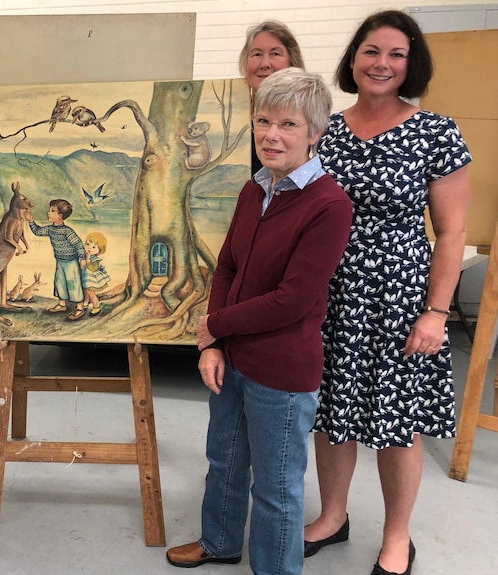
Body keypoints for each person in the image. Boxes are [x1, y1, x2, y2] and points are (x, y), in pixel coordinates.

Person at [165, 68, 352, 575]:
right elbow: (227, 266)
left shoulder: (329, 204)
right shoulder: (255, 190)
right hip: (234, 358)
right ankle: (219, 541)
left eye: (288, 124)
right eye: (264, 120)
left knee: (276, 488)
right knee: (224, 462)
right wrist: (215, 343)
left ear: (315, 132)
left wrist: (215, 325)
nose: (271, 134)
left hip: (283, 370)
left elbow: (293, 300)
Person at [304, 10, 471, 575]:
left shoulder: (437, 132)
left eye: (396, 54)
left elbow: (451, 231)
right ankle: (331, 516)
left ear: (410, 64)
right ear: (353, 58)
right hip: (330, 293)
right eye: (372, 51)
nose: (382, 63)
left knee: (396, 424)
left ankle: (397, 536)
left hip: (401, 298)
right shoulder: (323, 127)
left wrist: (436, 312)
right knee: (332, 412)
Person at [238, 20, 304, 173]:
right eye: (257, 54)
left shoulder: (305, 117)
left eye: (275, 54)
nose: (265, 63)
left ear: (291, 63)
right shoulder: (232, 116)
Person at [25, 199, 87, 320]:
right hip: (60, 261)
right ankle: (62, 304)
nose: (48, 213)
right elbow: (38, 231)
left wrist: (82, 258)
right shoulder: (50, 229)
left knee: (73, 283)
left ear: (60, 216)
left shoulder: (67, 231)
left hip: (71, 262)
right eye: (50, 210)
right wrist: (31, 221)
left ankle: (80, 308)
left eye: (52, 211)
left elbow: (78, 244)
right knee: (60, 283)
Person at [81, 231, 110, 316]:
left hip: (91, 279)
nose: (90, 248)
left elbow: (92, 268)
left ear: (99, 250)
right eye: (88, 244)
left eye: (94, 247)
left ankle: (96, 306)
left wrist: (88, 258)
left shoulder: (95, 259)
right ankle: (86, 302)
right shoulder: (84, 255)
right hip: (85, 276)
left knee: (90, 291)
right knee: (85, 290)